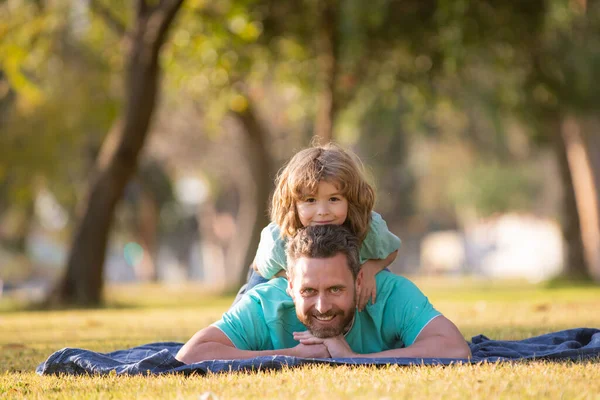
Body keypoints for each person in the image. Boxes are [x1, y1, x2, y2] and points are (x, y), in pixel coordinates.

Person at [176, 225, 471, 363]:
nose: (322, 305)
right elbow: (191, 355)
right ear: (290, 285)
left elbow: (456, 349)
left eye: (335, 289)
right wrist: (292, 355)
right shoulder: (265, 303)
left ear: (358, 281)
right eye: (308, 291)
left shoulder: (390, 294)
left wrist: (354, 358)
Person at [234, 143, 401, 311]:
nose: (322, 212)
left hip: (351, 271)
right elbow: (260, 267)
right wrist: (291, 278)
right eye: (310, 200)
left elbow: (391, 250)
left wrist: (370, 270)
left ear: (350, 200)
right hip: (273, 272)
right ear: (294, 203)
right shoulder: (279, 238)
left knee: (382, 285)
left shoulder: (367, 227)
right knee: (247, 307)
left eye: (334, 199)